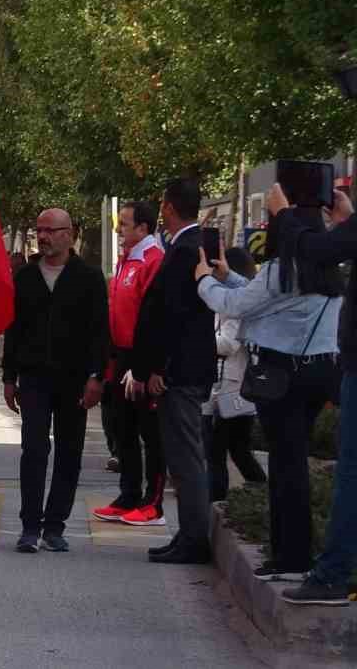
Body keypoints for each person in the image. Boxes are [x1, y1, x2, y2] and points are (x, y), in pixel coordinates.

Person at [197, 204, 341, 585]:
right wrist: (228, 278)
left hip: (282, 376)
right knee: (291, 461)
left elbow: (232, 306)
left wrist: (204, 280)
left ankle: (290, 556)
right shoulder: (328, 273)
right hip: (321, 372)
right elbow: (259, 298)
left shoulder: (281, 270)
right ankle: (294, 553)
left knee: (285, 464)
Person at [267, 183, 357, 607]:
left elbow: (316, 251)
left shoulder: (283, 270)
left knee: (350, 473)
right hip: (333, 367)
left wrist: (284, 215)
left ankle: (332, 575)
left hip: (330, 368)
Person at [2, 208, 108, 553]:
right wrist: (9, 376)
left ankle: (55, 526)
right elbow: (13, 331)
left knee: (69, 451)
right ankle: (30, 527)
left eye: (50, 230)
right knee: (33, 448)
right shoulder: (26, 278)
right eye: (39, 230)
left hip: (74, 379)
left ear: (69, 234)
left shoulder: (89, 278)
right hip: (33, 376)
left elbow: (98, 333)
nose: (43, 236)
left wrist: (97, 376)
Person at [131, 178, 216, 565]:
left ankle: (195, 539)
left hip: (179, 372)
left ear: (167, 207)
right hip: (182, 369)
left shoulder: (185, 248)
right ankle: (187, 533)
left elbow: (175, 317)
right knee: (180, 457)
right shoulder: (187, 244)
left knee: (184, 458)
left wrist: (159, 368)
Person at [94, 201, 167, 527]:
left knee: (150, 435)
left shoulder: (154, 261)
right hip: (120, 357)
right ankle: (128, 495)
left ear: (143, 228)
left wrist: (145, 368)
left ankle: (153, 502)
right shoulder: (127, 260)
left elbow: (153, 320)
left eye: (124, 224)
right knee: (122, 430)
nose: (118, 230)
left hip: (142, 358)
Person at [206, 247, 266, 503]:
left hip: (233, 388)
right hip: (224, 387)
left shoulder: (239, 304)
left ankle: (219, 504)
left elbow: (228, 344)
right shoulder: (229, 301)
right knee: (235, 450)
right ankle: (259, 494)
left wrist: (198, 340)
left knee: (220, 451)